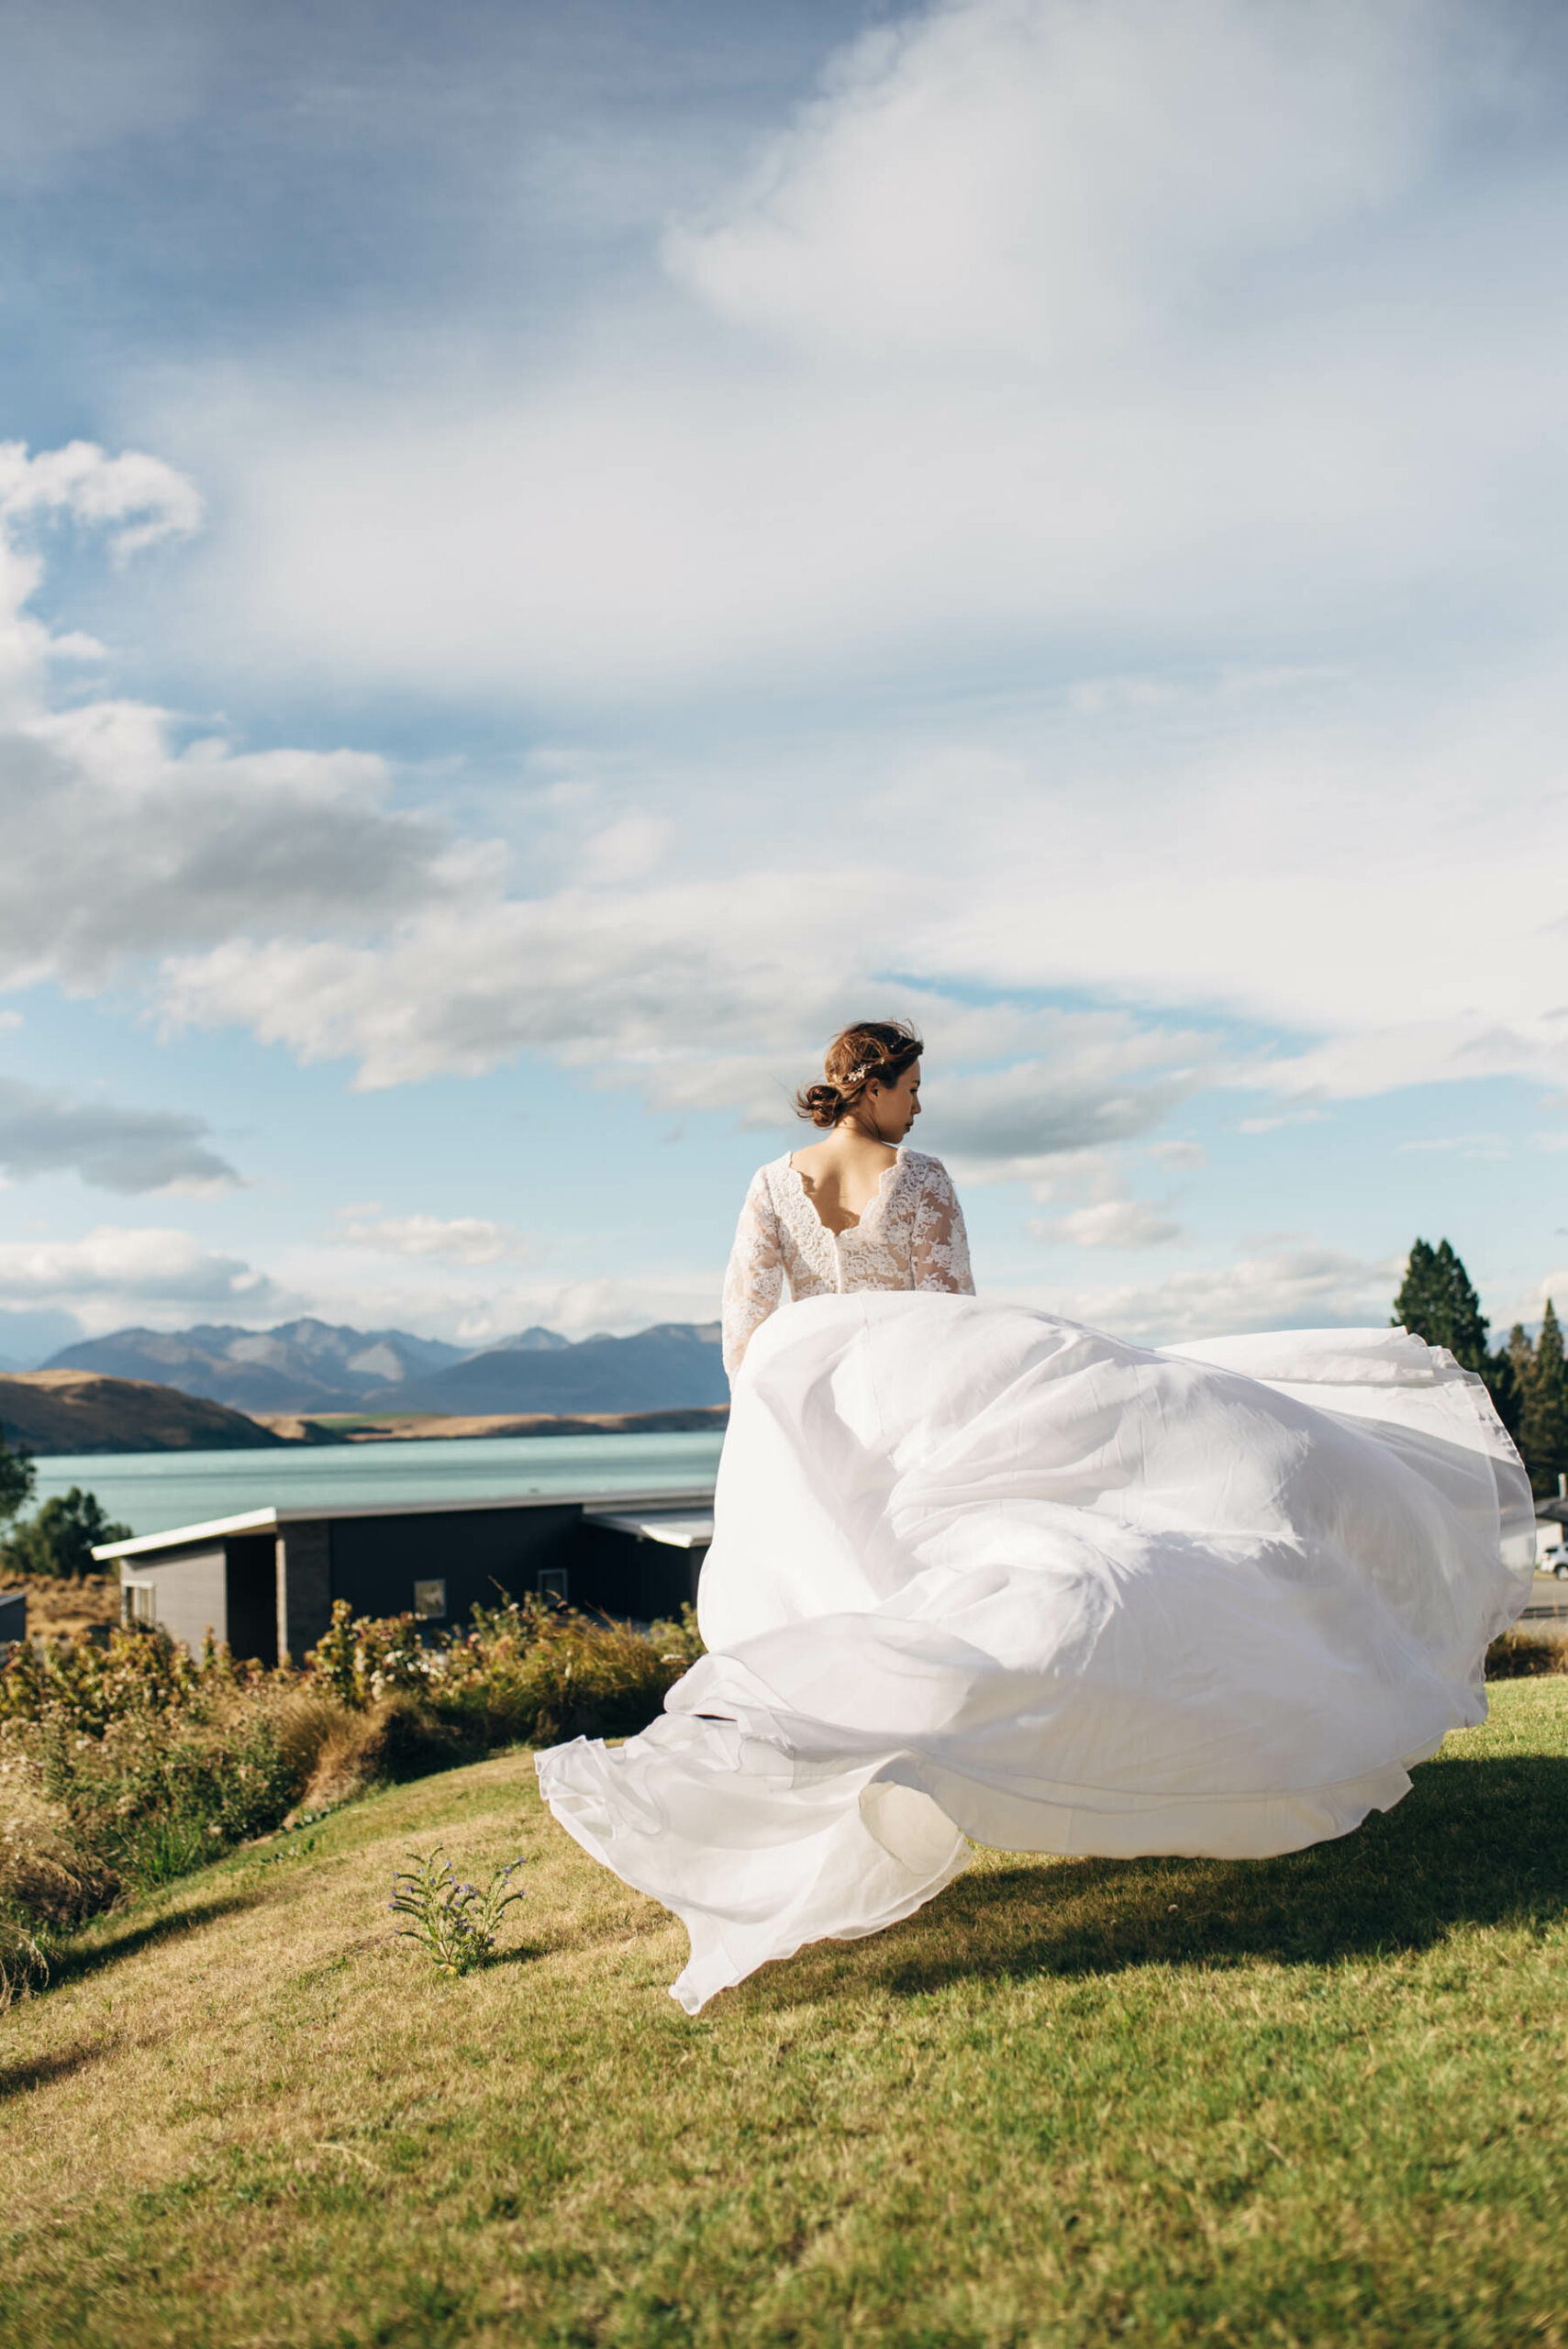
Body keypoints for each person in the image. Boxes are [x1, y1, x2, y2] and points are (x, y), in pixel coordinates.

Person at [537, 1020, 1534, 2014]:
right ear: (872, 1086)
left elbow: (744, 1341)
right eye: (912, 1085)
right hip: (915, 1415)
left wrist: (806, 1426)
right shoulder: (918, 1180)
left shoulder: (767, 1187)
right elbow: (951, 1316)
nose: (921, 1104)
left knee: (863, 1598)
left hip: (829, 1432)